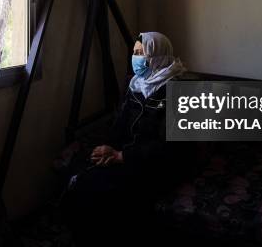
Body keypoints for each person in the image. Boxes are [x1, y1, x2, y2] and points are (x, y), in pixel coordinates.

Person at [62, 32, 194, 246]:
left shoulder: (180, 92)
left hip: (155, 163)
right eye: (134, 53)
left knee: (106, 191)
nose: (136, 58)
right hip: (126, 153)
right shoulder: (137, 85)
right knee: (80, 169)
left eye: (141, 53)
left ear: (157, 56)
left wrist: (122, 155)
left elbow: (170, 148)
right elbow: (120, 123)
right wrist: (108, 147)